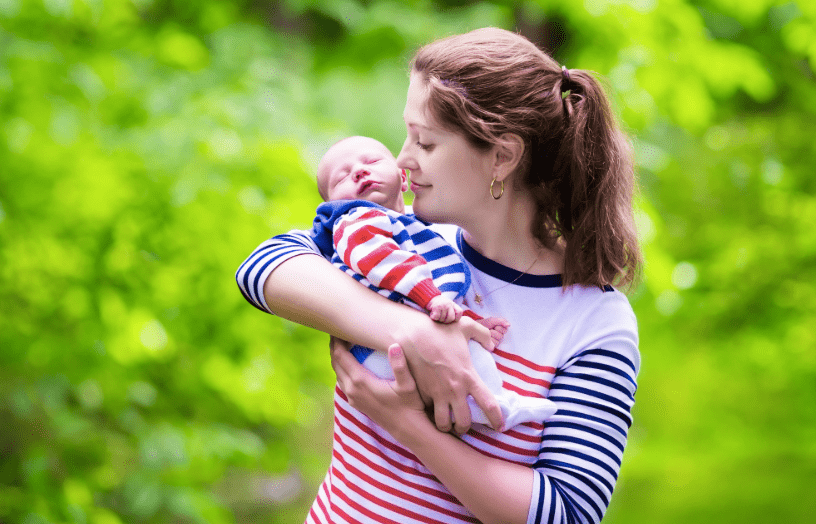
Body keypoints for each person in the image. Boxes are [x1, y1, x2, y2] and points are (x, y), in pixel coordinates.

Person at [236, 27, 641, 524]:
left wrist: (411, 428)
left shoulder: (594, 322)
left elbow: (569, 513)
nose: (402, 161)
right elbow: (262, 267)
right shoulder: (412, 247)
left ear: (502, 157)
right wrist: (411, 331)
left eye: (424, 143)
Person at [311, 134, 558, 429]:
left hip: (389, 348)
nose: (359, 172)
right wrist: (432, 298)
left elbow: (433, 300)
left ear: (403, 179)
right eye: (342, 178)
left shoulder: (413, 227)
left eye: (372, 161)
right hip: (379, 351)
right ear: (331, 204)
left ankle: (482, 406)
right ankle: (493, 406)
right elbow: (385, 265)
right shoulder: (355, 223)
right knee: (463, 359)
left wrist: (472, 321)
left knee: (464, 352)